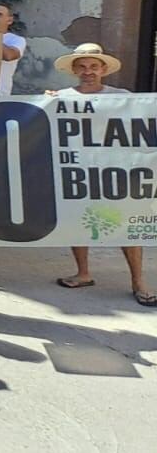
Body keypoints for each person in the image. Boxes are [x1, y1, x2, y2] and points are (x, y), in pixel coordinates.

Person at [47, 44, 152, 306]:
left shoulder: (122, 97)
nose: (88, 71)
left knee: (127, 226)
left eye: (94, 66)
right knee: (78, 220)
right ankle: (83, 273)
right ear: (74, 70)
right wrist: (46, 102)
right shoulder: (60, 97)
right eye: (82, 66)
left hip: (116, 172)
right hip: (78, 171)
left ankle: (139, 282)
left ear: (103, 69)